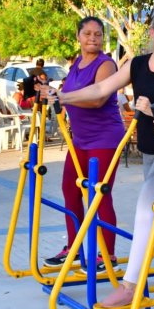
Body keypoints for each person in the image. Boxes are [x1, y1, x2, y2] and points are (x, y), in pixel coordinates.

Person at [53, 9, 154, 308]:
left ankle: (130, 285)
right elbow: (101, 89)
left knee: (147, 209)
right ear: (153, 33)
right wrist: (63, 97)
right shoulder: (137, 65)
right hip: (150, 149)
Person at [42, 17, 125, 273]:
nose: (93, 38)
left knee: (99, 194)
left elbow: (98, 100)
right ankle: (74, 247)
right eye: (87, 33)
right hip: (79, 139)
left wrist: (63, 99)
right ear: (78, 36)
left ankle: (107, 254)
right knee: (70, 190)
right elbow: (68, 94)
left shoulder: (106, 65)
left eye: (97, 34)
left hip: (104, 138)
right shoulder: (77, 63)